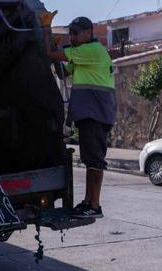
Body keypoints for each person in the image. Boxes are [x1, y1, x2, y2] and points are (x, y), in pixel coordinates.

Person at [42, 14, 116, 219]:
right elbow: (63, 72)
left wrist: (47, 29)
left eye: (75, 33)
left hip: (95, 114)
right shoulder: (83, 55)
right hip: (90, 114)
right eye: (70, 33)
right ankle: (87, 203)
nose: (72, 37)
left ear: (88, 33)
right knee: (90, 160)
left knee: (95, 161)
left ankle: (94, 205)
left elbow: (50, 53)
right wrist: (58, 54)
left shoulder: (92, 50)